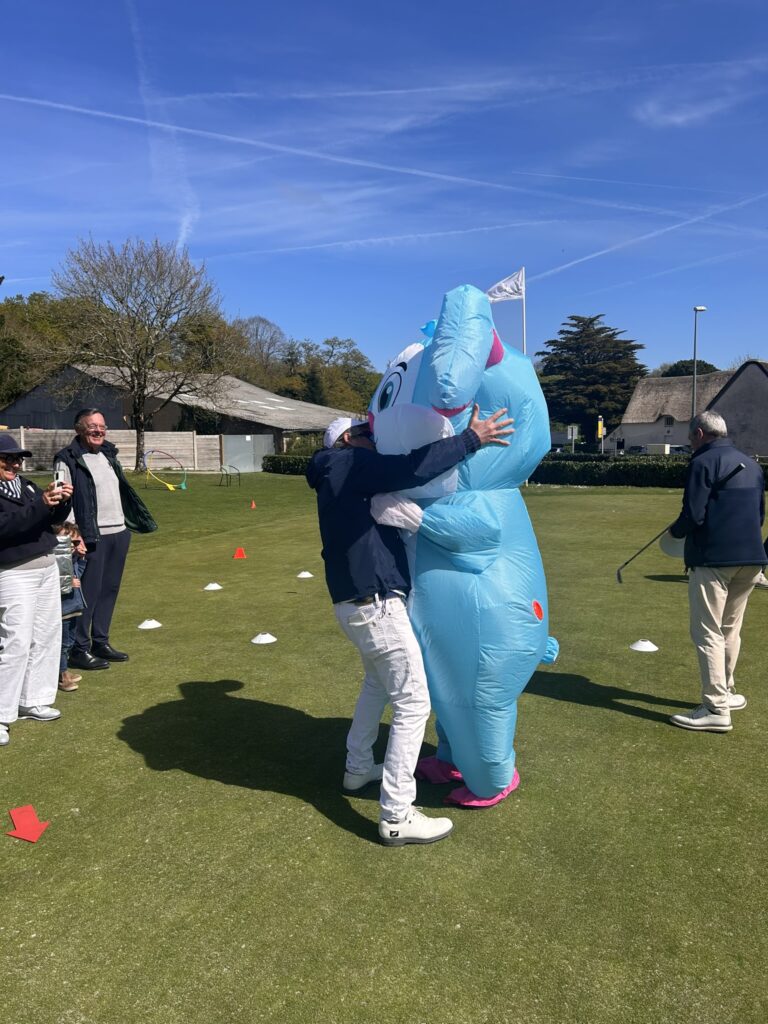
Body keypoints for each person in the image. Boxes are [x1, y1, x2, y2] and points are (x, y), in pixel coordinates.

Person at [306, 406, 513, 845]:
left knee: (376, 687)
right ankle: (397, 813)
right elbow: (412, 468)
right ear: (346, 440)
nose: (374, 437)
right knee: (413, 702)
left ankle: (358, 767)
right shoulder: (350, 463)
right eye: (365, 431)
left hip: (354, 603)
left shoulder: (335, 474)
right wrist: (471, 439)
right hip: (375, 602)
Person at [667, 411, 766, 733]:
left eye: (689, 437)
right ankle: (727, 692)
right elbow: (760, 516)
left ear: (699, 433)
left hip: (713, 560)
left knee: (707, 632)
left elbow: (693, 514)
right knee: (729, 629)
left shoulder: (701, 462)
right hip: (753, 558)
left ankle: (715, 708)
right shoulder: (751, 464)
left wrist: (674, 533)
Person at [54, 409, 157, 671]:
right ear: (80, 429)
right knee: (88, 594)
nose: (99, 431)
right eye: (92, 427)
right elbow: (64, 500)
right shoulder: (67, 459)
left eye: (102, 426)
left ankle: (101, 641)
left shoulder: (108, 454)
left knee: (109, 590)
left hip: (119, 533)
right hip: (91, 536)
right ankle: (79, 648)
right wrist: (74, 534)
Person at [0, 432, 73, 747]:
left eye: (18, 459)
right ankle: (1, 715)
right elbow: (7, 526)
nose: (15, 464)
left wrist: (61, 501)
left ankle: (33, 698)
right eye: (8, 459)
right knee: (15, 641)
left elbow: (47, 522)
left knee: (46, 634)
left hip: (44, 565)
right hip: (14, 572)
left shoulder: (27, 486)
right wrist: (41, 505)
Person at [53, 523, 87, 692]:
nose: (74, 547)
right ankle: (61, 676)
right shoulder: (56, 561)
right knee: (63, 644)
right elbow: (51, 583)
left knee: (69, 642)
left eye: (75, 543)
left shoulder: (70, 560)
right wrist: (68, 582)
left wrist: (80, 559)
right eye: (71, 543)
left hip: (73, 607)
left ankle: (63, 670)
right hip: (62, 610)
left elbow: (79, 574)